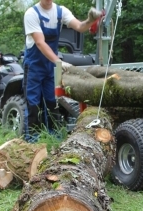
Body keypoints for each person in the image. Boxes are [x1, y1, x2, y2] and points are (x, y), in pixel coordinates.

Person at [23, 0, 103, 142]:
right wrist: (58, 62)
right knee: (33, 102)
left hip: (49, 67)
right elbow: (40, 43)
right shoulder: (31, 14)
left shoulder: (61, 12)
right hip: (34, 66)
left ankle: (53, 138)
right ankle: (32, 140)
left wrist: (90, 20)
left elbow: (79, 26)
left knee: (52, 101)